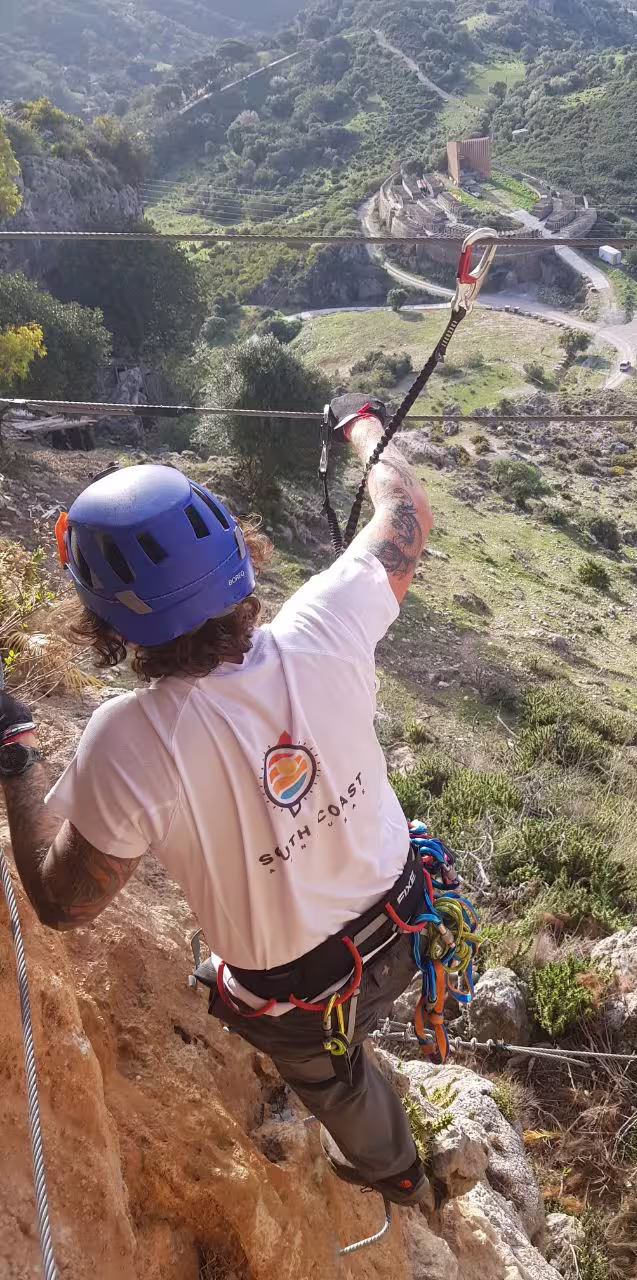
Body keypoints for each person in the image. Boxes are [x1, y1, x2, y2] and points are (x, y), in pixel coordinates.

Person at [0, 397, 438, 1207]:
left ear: (106, 622)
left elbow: (64, 904)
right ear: (237, 551)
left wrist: (16, 758)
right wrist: (361, 424)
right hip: (411, 918)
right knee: (324, 1025)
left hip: (300, 999)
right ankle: (392, 1152)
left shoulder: (130, 740)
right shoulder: (328, 620)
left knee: (330, 1078)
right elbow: (406, 509)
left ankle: (397, 1171)